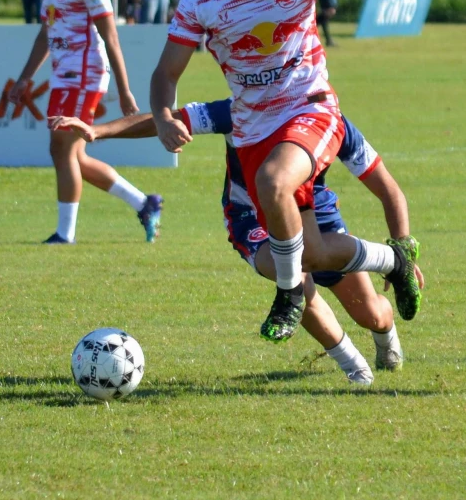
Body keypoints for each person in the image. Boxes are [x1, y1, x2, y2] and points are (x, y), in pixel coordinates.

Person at [150, 0, 466, 342]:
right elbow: (166, 72)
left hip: (312, 109)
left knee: (273, 184)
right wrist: (163, 114)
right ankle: (395, 259)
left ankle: (289, 295)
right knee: (314, 253)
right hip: (253, 132)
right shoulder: (199, 0)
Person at [51, 99, 417, 384]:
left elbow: (390, 192)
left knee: (373, 314)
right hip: (251, 218)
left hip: (318, 220)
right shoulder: (241, 108)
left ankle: (387, 338)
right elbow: (168, 117)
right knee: (291, 275)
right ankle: (356, 372)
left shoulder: (329, 121)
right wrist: (98, 131)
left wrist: (404, 249)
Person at [9, 0, 162, 244]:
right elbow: (46, 32)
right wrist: (24, 79)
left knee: (61, 149)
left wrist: (124, 91)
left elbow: (111, 36)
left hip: (85, 74)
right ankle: (144, 203)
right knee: (74, 155)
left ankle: (65, 234)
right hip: (63, 75)